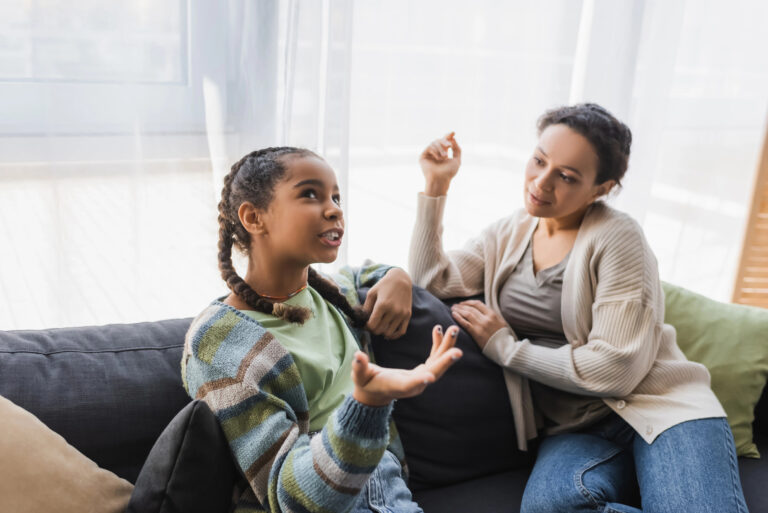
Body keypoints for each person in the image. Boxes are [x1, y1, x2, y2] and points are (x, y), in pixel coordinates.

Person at [410, 104, 749, 512]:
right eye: (539, 161)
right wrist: (436, 186)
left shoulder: (618, 237)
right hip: (574, 428)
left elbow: (616, 369)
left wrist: (506, 348)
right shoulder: (507, 233)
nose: (541, 182)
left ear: (601, 188)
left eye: (567, 176)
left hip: (662, 409)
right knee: (551, 508)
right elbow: (430, 281)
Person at [182, 147, 463, 513]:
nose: (334, 210)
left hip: (385, 484)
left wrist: (398, 276)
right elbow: (288, 497)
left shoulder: (334, 295)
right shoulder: (217, 341)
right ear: (253, 217)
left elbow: (364, 274)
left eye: (336, 197)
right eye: (310, 194)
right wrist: (366, 405)